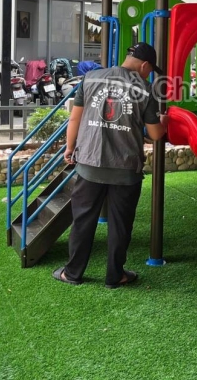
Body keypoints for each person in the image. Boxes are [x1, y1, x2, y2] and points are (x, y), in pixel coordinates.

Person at [53, 42, 167, 289]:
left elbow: (75, 118)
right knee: (120, 224)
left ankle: (72, 273)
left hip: (89, 163)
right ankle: (115, 276)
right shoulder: (145, 89)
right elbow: (156, 134)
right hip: (125, 170)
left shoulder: (91, 78)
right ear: (144, 65)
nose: (149, 73)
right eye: (150, 69)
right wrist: (164, 122)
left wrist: (70, 148)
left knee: (83, 220)